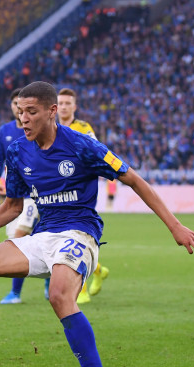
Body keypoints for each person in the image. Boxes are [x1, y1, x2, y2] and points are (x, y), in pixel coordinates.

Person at [0, 82, 194, 367]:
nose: (24, 119)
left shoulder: (83, 145)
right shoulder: (17, 150)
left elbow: (134, 179)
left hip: (80, 234)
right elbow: (13, 207)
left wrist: (175, 227)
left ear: (52, 112)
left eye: (31, 112)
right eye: (20, 112)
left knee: (60, 294)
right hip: (44, 235)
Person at [0, 88, 50, 304]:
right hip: (14, 196)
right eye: (17, 104)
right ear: (12, 106)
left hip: (34, 195)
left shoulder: (37, 129)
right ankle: (48, 281)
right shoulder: (4, 131)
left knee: (18, 238)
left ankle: (15, 293)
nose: (20, 110)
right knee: (19, 240)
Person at [57, 87, 108, 302]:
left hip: (79, 191)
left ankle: (82, 291)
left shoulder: (84, 128)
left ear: (75, 106)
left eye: (68, 103)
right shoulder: (52, 128)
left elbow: (94, 152)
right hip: (56, 192)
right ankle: (98, 271)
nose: (64, 107)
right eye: (60, 103)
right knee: (63, 240)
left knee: (75, 237)